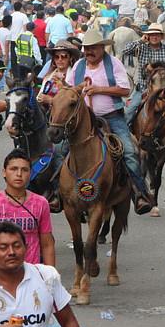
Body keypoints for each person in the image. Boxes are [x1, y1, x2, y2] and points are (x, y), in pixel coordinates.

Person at [65, 29, 154, 215]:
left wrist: (99, 90)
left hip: (112, 117)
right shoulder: (78, 66)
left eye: (93, 48)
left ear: (102, 48)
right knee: (59, 149)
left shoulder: (114, 64)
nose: (89, 52)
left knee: (129, 152)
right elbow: (69, 90)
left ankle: (140, 193)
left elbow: (125, 90)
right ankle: (57, 193)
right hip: (83, 119)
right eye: (86, 48)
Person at [0, 151, 54, 280]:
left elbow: (47, 244)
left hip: (31, 276)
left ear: (30, 174)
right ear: (4, 172)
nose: (19, 174)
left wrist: (51, 275)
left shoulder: (41, 203)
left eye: (24, 170)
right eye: (13, 169)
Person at [121, 23, 165, 123]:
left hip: (164, 90)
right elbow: (125, 50)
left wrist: (158, 69)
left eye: (157, 34)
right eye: (152, 34)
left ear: (161, 36)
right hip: (143, 88)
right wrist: (140, 41)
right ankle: (127, 130)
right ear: (147, 36)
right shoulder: (142, 47)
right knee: (129, 111)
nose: (154, 37)